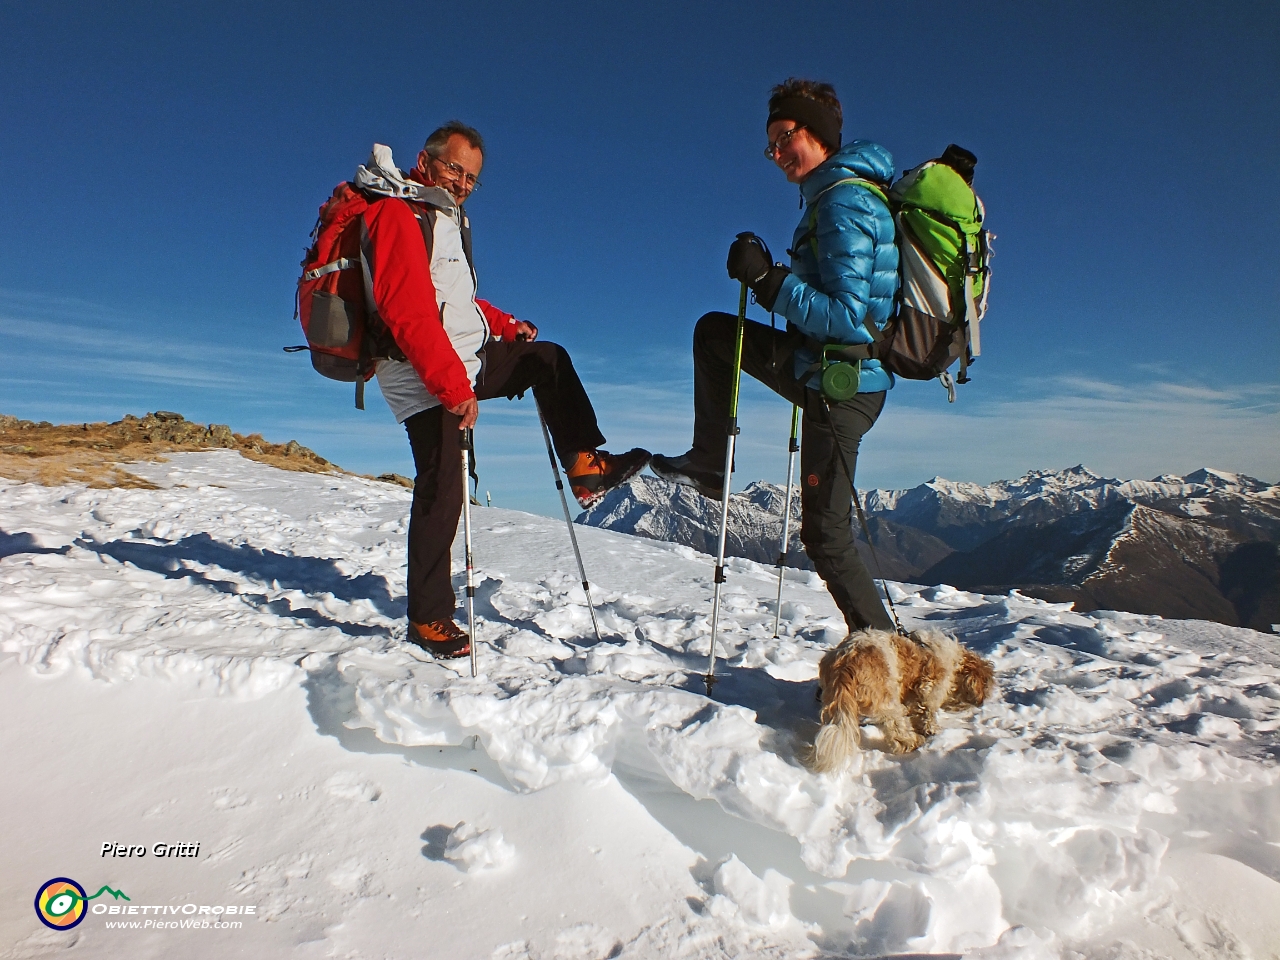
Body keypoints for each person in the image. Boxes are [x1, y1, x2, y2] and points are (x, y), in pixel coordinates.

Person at [361, 120, 648, 658]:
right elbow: (408, 311)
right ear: (425, 160)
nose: (463, 183)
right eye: (454, 168)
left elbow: (458, 305)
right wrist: (452, 388)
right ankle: (428, 618)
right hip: (420, 370)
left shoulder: (445, 218)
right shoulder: (399, 212)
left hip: (462, 358)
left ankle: (585, 462)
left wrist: (504, 323)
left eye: (472, 177)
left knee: (546, 358)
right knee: (443, 486)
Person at [650, 79, 898, 633]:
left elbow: (848, 316)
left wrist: (768, 281)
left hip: (845, 382)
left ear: (820, 133)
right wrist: (776, 281)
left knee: (827, 537)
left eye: (786, 138)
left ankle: (887, 661)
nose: (779, 154)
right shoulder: (831, 197)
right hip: (826, 371)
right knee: (716, 335)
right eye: (772, 145)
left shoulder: (845, 201)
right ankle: (711, 462)